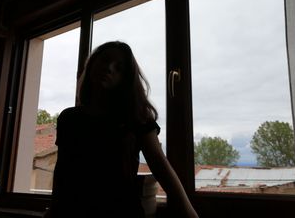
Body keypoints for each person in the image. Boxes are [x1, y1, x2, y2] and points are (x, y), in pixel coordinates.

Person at [49, 41, 198, 217]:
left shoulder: (136, 117)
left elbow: (160, 165)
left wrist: (189, 213)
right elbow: (63, 171)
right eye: (105, 60)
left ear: (124, 79)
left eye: (119, 68)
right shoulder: (69, 118)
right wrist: (54, 210)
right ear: (92, 64)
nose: (109, 68)